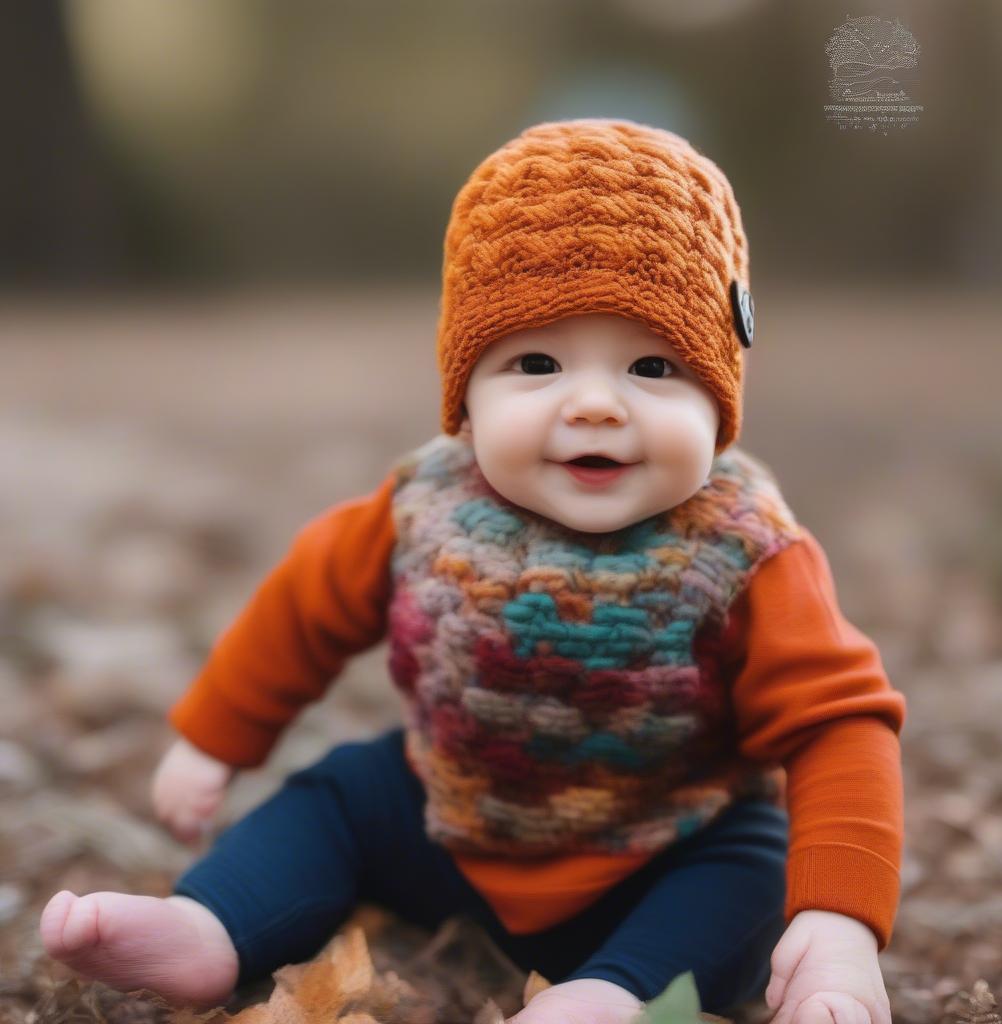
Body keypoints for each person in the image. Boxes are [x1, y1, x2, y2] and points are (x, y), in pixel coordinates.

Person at [39, 118, 905, 1024]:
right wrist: (217, 736)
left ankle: (610, 996)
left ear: (721, 395)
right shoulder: (426, 505)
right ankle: (209, 925)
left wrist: (840, 917)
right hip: (452, 822)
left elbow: (839, 723)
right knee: (340, 795)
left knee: (752, 865)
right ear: (466, 391)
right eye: (537, 363)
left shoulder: (745, 547)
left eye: (653, 366)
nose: (598, 405)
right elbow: (306, 605)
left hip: (663, 849)